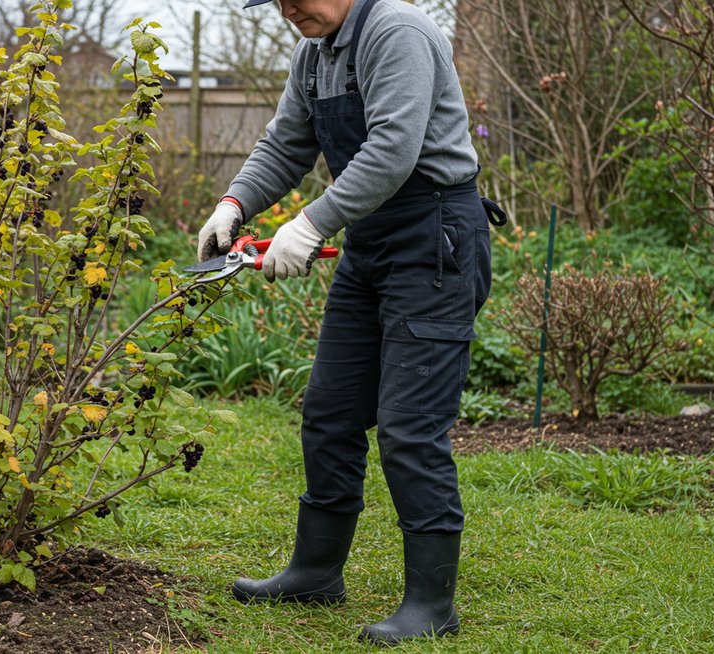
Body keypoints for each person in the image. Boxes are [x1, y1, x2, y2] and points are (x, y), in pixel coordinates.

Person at [196, 0, 503, 645]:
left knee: (409, 430)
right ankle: (315, 572)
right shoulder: (315, 53)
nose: (286, 10)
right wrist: (234, 203)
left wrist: (308, 224)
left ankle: (430, 605)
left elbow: (394, 149)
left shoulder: (397, 32)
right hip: (371, 244)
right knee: (331, 413)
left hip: (436, 239)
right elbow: (286, 143)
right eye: (274, 1)